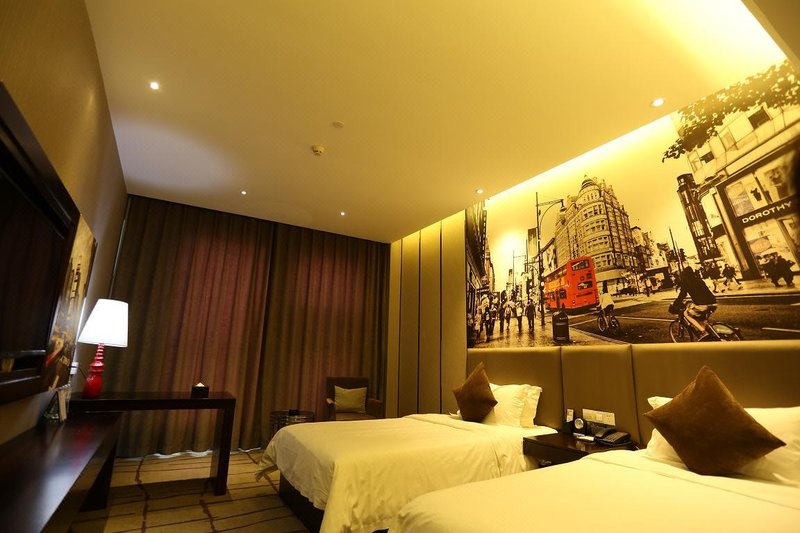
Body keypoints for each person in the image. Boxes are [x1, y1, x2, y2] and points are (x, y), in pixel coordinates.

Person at [673, 266, 717, 339]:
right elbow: (702, 293)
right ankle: (707, 335)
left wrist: (676, 302)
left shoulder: (686, 283)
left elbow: (682, 295)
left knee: (686, 314)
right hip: (713, 303)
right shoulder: (698, 280)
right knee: (702, 318)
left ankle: (703, 331)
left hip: (702, 305)